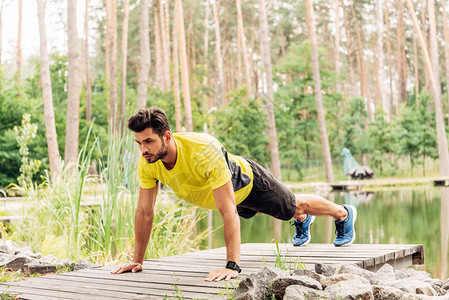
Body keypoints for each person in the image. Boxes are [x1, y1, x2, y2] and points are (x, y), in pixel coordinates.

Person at [111, 107, 357, 282]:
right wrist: (137, 260)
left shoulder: (203, 150)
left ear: (166, 136)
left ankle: (343, 213)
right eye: (139, 143)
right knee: (290, 211)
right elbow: (144, 212)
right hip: (228, 198)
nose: (143, 149)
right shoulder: (149, 161)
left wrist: (232, 266)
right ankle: (303, 221)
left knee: (296, 205)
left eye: (149, 141)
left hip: (249, 184)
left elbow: (227, 209)